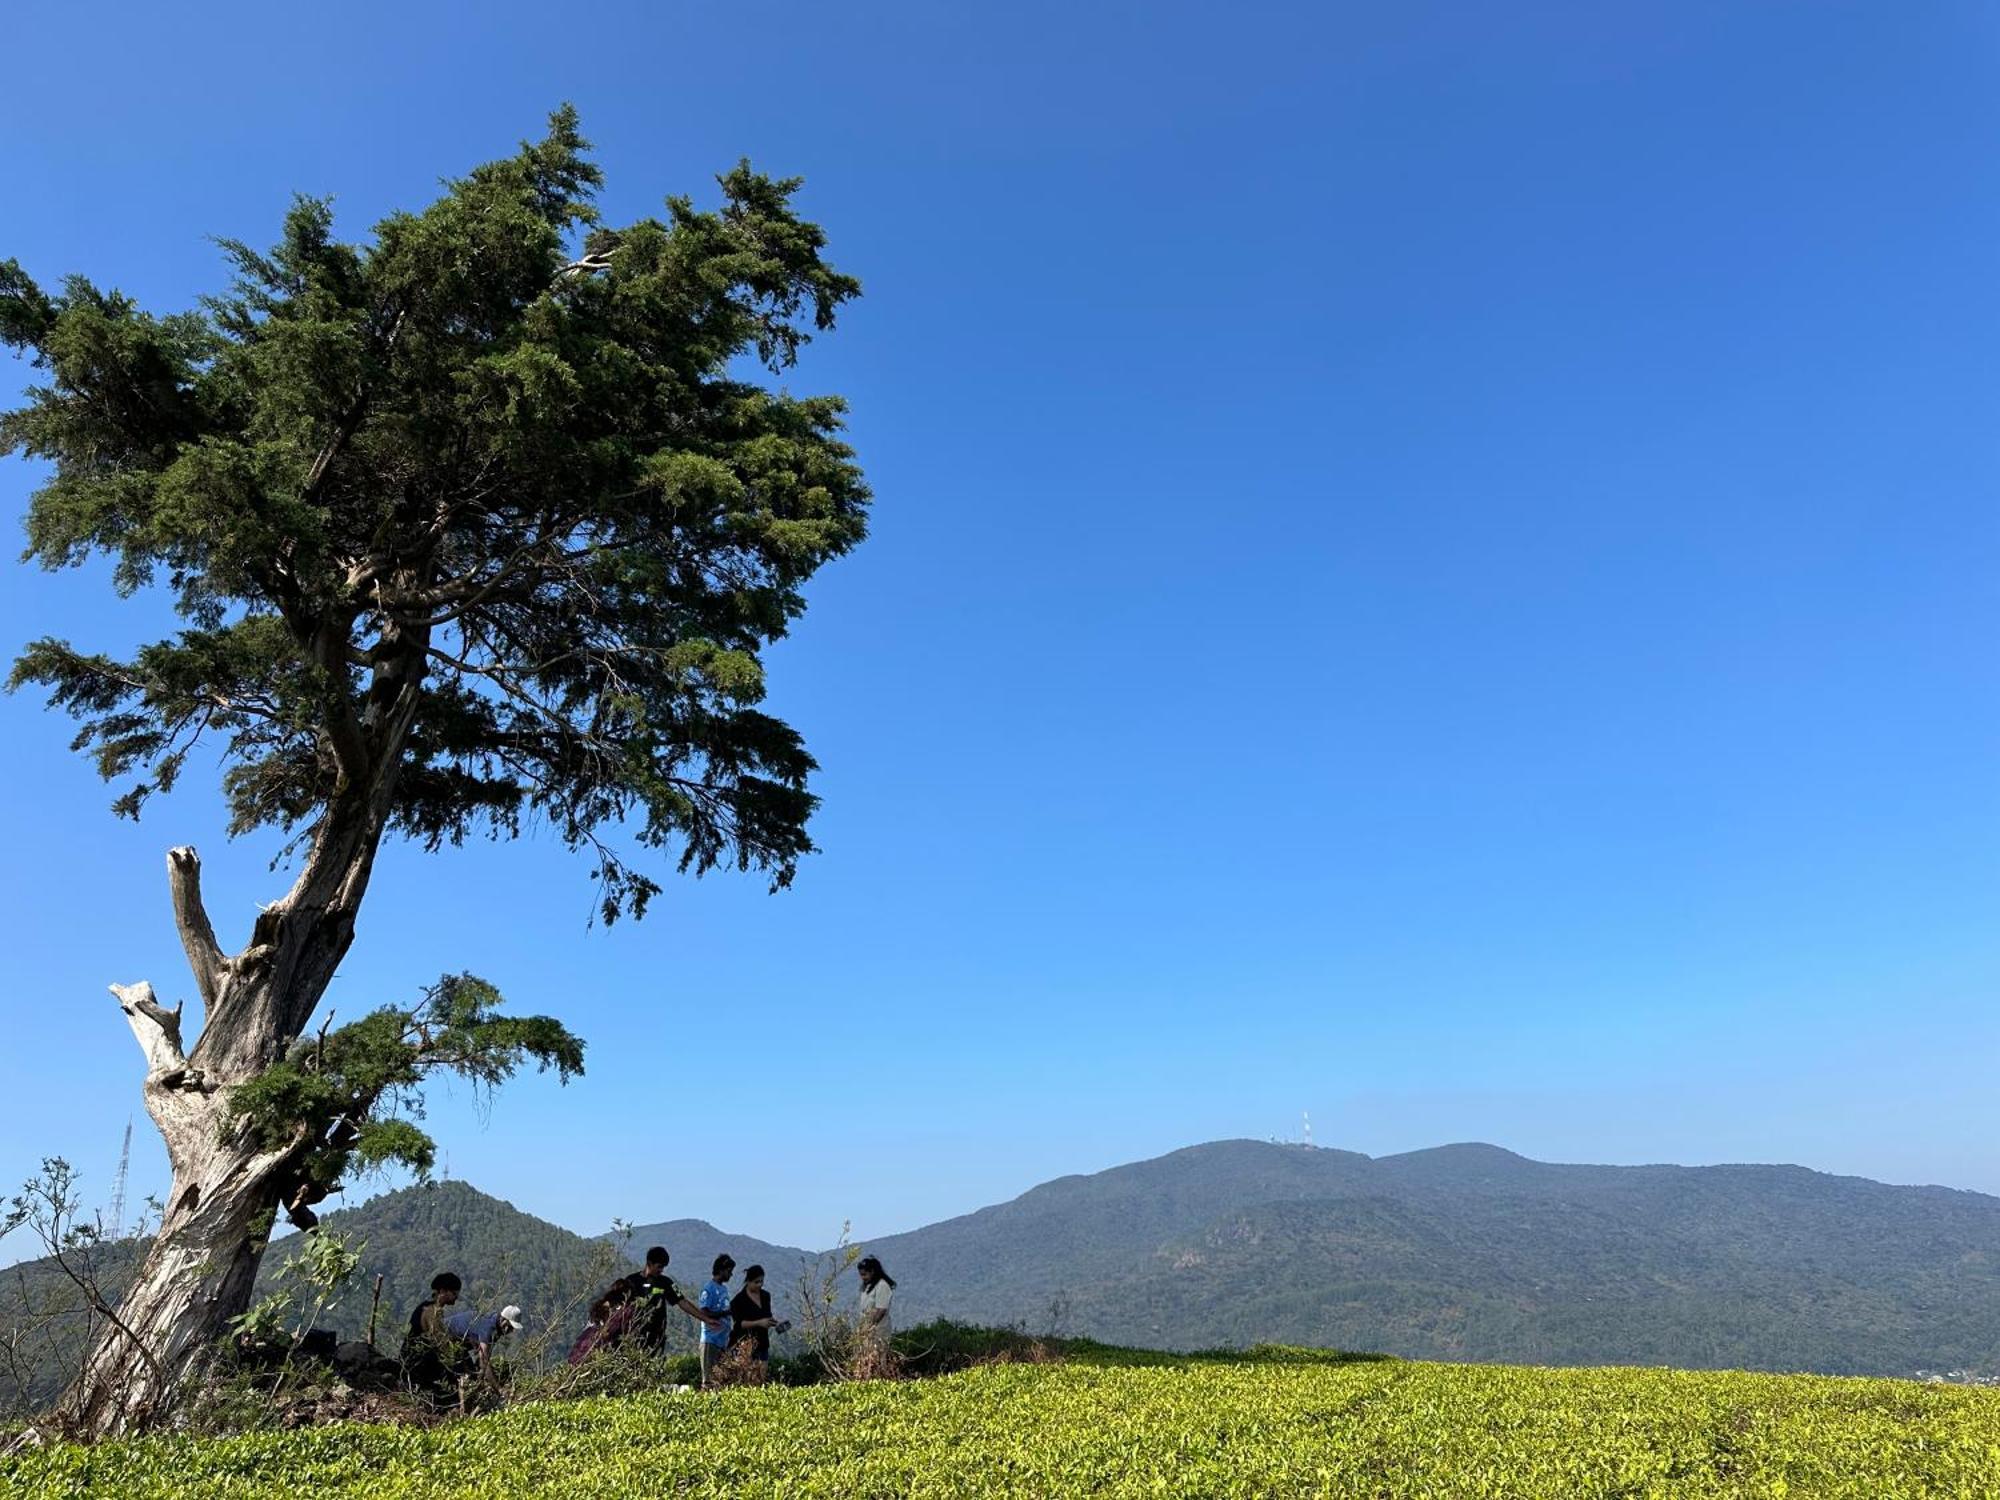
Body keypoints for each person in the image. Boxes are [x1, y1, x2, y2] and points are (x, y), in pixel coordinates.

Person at [627, 1245, 722, 1355]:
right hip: (633, 1338)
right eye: (659, 1267)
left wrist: (705, 1319)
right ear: (649, 1263)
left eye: (663, 1267)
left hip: (656, 1339)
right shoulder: (631, 1281)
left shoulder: (666, 1282)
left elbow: (683, 1302)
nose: (661, 1270)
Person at [400, 1271, 462, 1388]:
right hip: (417, 1363)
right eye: (454, 1293)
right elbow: (440, 1342)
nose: (456, 1297)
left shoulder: (426, 1306)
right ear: (442, 1291)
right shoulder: (431, 1312)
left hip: (410, 1359)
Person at [443, 1302, 524, 1383]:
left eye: (512, 1328)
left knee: (472, 1376)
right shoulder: (489, 1328)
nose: (511, 1331)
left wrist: (480, 1379)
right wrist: (499, 1389)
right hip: (443, 1338)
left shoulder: (496, 1327)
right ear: (503, 1320)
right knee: (462, 1378)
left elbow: (482, 1358)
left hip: (458, 1346)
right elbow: (484, 1362)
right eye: (510, 1327)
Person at [727, 1264, 788, 1369]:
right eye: (756, 1282)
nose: (760, 1285)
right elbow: (738, 1324)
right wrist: (759, 1323)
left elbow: (767, 1316)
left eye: (761, 1281)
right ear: (748, 1281)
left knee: (761, 1379)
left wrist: (775, 1323)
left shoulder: (765, 1296)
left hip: (762, 1343)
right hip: (745, 1344)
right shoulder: (738, 1301)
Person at [697, 1255, 735, 1386]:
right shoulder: (709, 1288)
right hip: (710, 1340)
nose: (731, 1274)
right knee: (709, 1381)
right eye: (729, 1271)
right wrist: (724, 1313)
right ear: (721, 1270)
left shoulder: (723, 1289)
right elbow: (704, 1312)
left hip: (722, 1341)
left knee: (720, 1380)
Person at [857, 1255, 896, 1346]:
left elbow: (881, 1310)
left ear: (872, 1272)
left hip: (878, 1329)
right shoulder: (867, 1287)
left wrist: (869, 1326)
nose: (862, 1277)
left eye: (864, 1274)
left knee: (877, 1355)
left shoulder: (882, 1285)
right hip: (866, 1329)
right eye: (861, 1275)